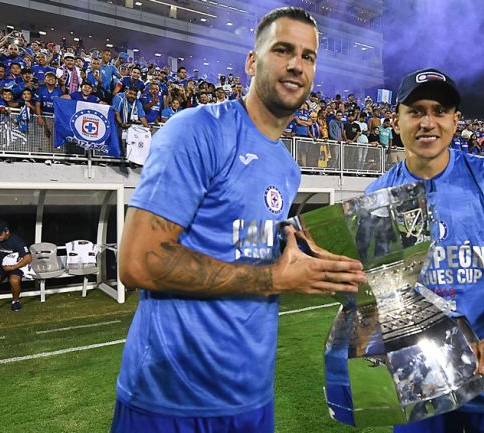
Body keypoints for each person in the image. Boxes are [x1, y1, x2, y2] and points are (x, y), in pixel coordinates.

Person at [110, 8, 366, 433]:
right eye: (282, 50)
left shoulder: (287, 167)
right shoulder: (197, 131)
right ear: (252, 61)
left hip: (249, 398)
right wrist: (275, 281)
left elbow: (241, 244)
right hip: (169, 401)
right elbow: (137, 262)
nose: (295, 65)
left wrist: (319, 265)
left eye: (308, 56)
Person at [366, 68, 484, 433]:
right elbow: (383, 290)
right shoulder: (378, 195)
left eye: (440, 111)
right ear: (395, 118)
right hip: (419, 379)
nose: (427, 122)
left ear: (455, 120)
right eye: (415, 111)